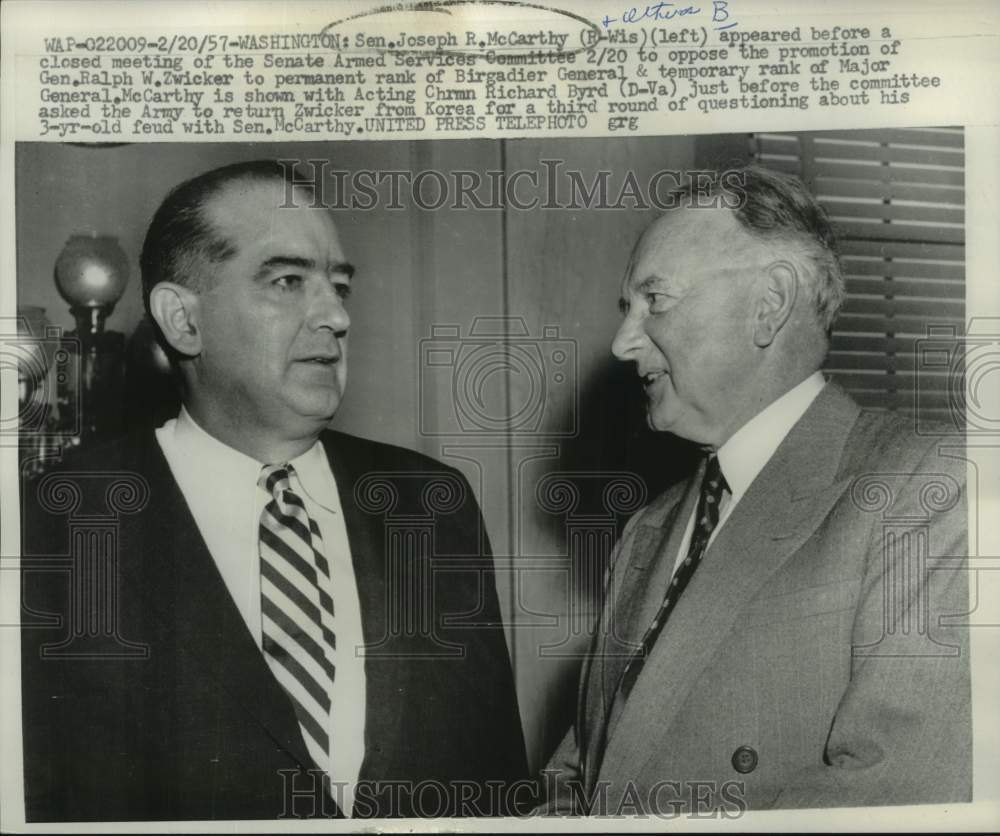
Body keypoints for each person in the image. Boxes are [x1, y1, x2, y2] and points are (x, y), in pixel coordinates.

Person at [21, 160, 528, 821]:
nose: (336, 316)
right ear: (183, 319)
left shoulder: (432, 506)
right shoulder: (56, 526)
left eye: (339, 287)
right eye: (288, 281)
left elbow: (498, 790)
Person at [539, 166, 971, 814]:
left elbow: (899, 796)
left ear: (769, 302)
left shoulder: (928, 486)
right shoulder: (647, 531)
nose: (623, 343)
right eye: (627, 309)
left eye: (655, 300)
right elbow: (580, 782)